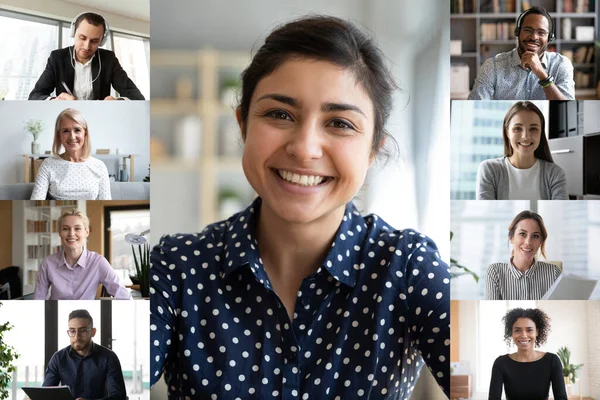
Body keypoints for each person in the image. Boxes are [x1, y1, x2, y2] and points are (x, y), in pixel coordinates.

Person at [150, 15, 450, 399]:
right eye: (279, 114)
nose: (305, 148)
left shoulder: (408, 267)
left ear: (374, 149)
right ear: (243, 125)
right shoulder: (178, 267)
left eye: (340, 123)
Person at [28, 12, 144, 100]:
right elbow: (35, 95)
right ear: (73, 33)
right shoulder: (57, 58)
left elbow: (136, 96)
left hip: (98, 120)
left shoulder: (109, 59)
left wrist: (120, 101)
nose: (87, 47)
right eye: (82, 38)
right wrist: (54, 100)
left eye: (94, 41)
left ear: (102, 41)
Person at [468, 6, 574, 100]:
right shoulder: (493, 66)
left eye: (541, 33)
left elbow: (566, 106)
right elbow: (474, 106)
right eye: (528, 30)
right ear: (518, 32)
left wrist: (542, 74)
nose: (533, 37)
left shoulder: (561, 64)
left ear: (550, 38)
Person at [476, 101, 568, 200]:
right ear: (507, 132)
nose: (525, 136)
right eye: (517, 129)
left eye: (533, 129)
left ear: (541, 133)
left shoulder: (555, 173)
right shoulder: (489, 170)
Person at [33, 208, 131, 300]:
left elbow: (124, 297)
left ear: (86, 232)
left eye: (77, 228)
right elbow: (38, 300)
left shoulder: (98, 262)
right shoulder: (48, 263)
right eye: (65, 229)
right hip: (55, 315)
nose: (71, 233)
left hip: (86, 316)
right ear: (60, 232)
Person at [43, 309, 128, 400]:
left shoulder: (109, 357)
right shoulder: (58, 358)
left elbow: (119, 396)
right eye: (72, 331)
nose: (77, 337)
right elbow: (46, 392)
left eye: (82, 330)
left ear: (93, 332)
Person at [30, 108, 112, 200]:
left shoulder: (99, 166)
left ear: (85, 133)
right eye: (65, 131)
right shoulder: (48, 164)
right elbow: (36, 199)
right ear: (59, 136)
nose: (72, 137)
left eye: (77, 130)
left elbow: (106, 199)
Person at [489, 308, 567, 400]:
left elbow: (561, 398)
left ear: (537, 332)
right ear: (512, 333)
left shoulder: (552, 361)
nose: (524, 335)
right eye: (517, 330)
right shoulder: (501, 363)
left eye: (529, 330)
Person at [486, 210, 561, 300]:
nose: (528, 242)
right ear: (511, 238)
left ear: (541, 241)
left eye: (535, 236)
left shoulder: (554, 273)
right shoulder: (495, 272)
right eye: (522, 234)